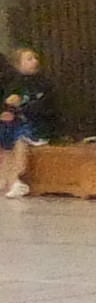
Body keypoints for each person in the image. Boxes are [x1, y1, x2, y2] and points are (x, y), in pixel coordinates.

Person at [0, 45, 51, 198]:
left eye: (35, 58)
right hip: (16, 123)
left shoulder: (43, 83)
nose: (34, 61)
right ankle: (5, 177)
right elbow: (8, 104)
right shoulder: (13, 83)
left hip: (37, 126)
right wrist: (6, 111)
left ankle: (16, 179)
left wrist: (18, 109)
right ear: (18, 64)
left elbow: (43, 107)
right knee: (5, 138)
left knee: (20, 139)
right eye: (29, 59)